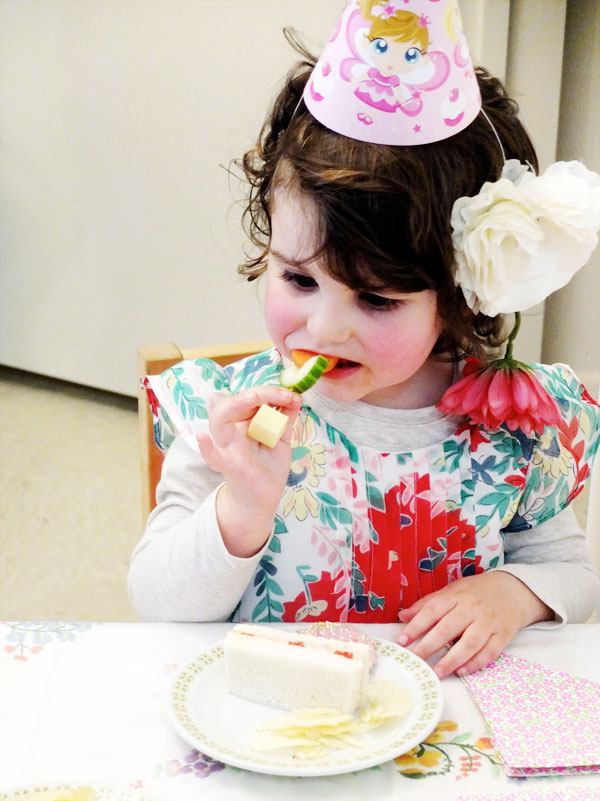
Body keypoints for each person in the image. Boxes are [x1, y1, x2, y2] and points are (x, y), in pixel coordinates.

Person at [128, 0, 600, 680]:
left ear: (459, 297)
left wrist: (515, 593)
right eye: (298, 277)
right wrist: (241, 508)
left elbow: (573, 573)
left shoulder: (506, 423)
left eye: (377, 298)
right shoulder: (229, 419)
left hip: (435, 746)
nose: (323, 328)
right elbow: (155, 602)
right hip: (271, 741)